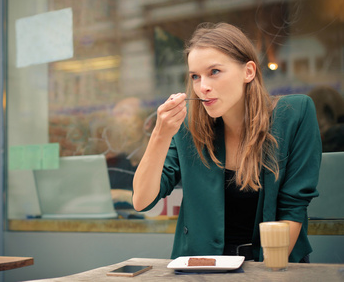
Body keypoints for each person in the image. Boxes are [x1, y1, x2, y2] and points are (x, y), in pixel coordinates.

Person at [132, 22, 321, 262]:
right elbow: (141, 200)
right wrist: (160, 134)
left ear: (248, 72)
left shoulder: (295, 114)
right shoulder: (188, 126)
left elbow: (293, 209)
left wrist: (267, 275)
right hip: (201, 270)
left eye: (214, 72)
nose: (203, 87)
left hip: (272, 266)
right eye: (195, 76)